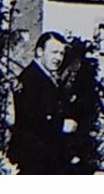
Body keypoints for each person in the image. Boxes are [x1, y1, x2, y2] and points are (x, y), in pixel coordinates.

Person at [9, 31, 77, 174]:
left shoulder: (47, 79)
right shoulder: (30, 79)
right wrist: (61, 125)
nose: (58, 58)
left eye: (61, 54)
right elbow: (30, 118)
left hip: (46, 156)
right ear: (40, 52)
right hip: (34, 156)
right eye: (54, 52)